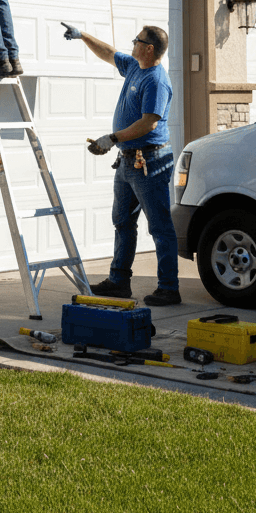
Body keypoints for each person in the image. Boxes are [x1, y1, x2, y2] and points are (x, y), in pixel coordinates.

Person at [62, 21, 180, 306]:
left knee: (160, 227)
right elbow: (109, 53)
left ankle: (169, 288)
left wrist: (112, 138)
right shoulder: (135, 67)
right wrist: (83, 36)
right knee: (123, 222)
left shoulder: (156, 80)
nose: (132, 44)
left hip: (149, 161)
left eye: (136, 41)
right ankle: (118, 282)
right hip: (128, 162)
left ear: (148, 49)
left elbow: (149, 123)